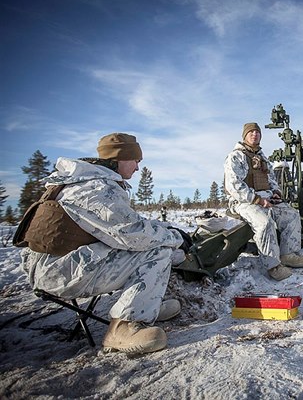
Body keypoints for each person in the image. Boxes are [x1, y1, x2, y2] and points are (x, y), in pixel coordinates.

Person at [17, 133, 187, 354]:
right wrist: (176, 238)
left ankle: (147, 304)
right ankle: (124, 327)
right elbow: (132, 234)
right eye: (136, 160)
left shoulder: (87, 181)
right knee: (158, 250)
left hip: (63, 263)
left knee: (156, 243)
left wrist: (166, 229)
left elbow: (124, 223)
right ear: (120, 158)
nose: (137, 167)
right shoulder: (97, 189)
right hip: (59, 272)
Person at [223, 122, 303, 281]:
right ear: (245, 136)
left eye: (257, 132)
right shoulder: (236, 157)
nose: (255, 134)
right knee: (264, 223)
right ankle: (273, 266)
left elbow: (271, 179)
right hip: (244, 201)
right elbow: (233, 185)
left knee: (291, 215)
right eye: (251, 132)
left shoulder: (262, 157)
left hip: (266, 197)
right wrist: (257, 199)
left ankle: (288, 254)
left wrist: (276, 192)